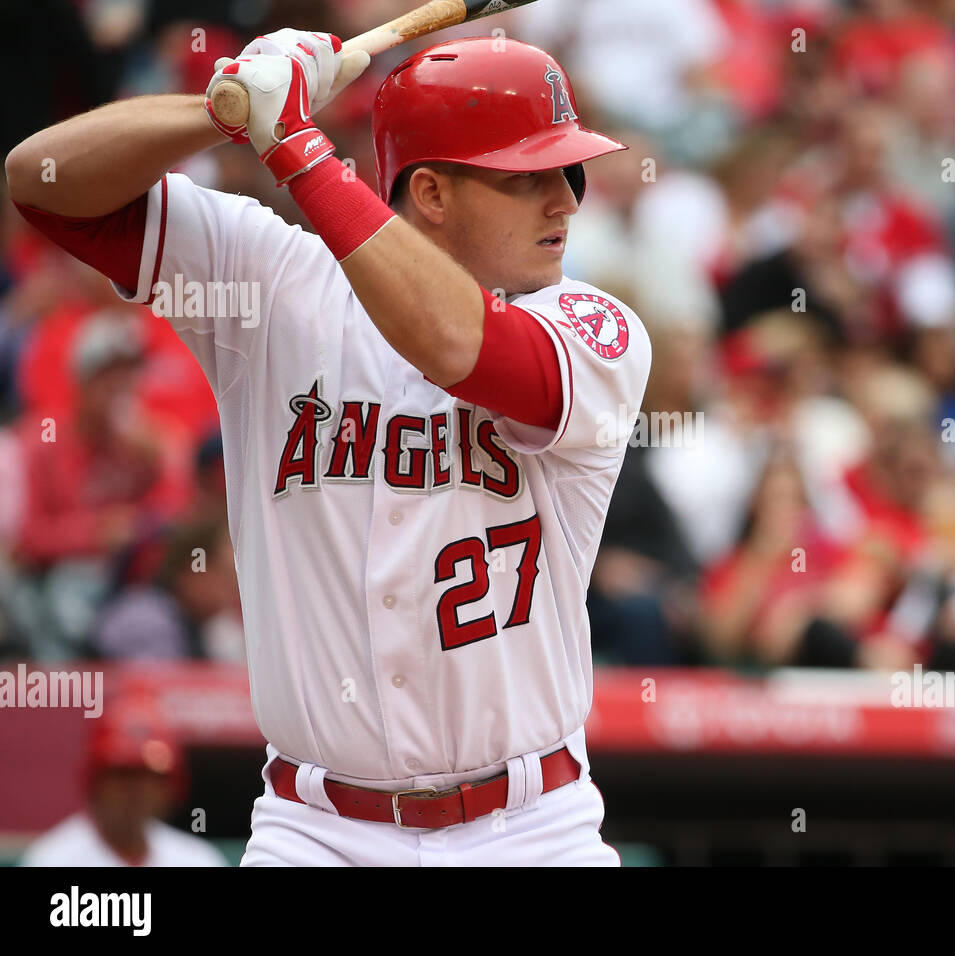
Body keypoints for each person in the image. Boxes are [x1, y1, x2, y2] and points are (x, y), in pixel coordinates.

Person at [7, 30, 650, 865]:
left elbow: (461, 346)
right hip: (317, 831)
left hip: (530, 829)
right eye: (528, 178)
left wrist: (296, 146)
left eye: (568, 173)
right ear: (432, 193)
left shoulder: (593, 328)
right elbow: (42, 182)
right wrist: (226, 108)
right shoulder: (272, 283)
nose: (566, 201)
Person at [21, 695, 226, 867]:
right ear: (97, 782)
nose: (136, 791)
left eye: (148, 777)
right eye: (123, 775)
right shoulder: (53, 860)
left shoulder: (197, 859)